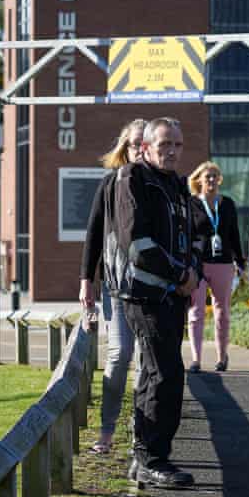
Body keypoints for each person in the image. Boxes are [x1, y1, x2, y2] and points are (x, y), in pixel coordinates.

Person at [106, 117, 200, 489]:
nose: (172, 151)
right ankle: (152, 460)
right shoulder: (132, 179)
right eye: (164, 145)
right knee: (165, 374)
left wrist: (191, 270)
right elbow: (137, 245)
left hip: (172, 294)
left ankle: (145, 454)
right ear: (145, 147)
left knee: (156, 373)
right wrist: (180, 276)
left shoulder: (176, 184)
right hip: (145, 295)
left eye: (177, 144)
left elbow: (191, 236)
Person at [79, 118, 145, 456]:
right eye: (134, 143)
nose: (139, 149)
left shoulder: (163, 185)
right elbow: (93, 233)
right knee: (120, 356)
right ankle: (106, 430)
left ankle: (143, 432)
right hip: (116, 286)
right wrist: (86, 282)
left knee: (149, 363)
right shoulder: (109, 184)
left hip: (154, 291)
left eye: (144, 143)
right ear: (125, 147)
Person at [186, 161, 246, 373]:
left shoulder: (227, 204)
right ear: (199, 179)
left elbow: (234, 235)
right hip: (199, 264)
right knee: (196, 312)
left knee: (222, 313)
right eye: (207, 176)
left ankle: (222, 358)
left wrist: (240, 261)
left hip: (223, 264)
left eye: (214, 176)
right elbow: (188, 235)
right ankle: (195, 359)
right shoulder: (191, 203)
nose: (211, 180)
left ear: (219, 180)